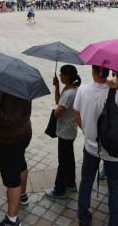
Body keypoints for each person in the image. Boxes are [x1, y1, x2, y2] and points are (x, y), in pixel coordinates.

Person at [74, 65, 118, 226]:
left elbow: (76, 116)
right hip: (113, 151)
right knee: (114, 188)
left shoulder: (82, 90)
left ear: (93, 71)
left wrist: (87, 132)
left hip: (90, 147)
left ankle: (84, 219)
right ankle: (114, 222)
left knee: (86, 182)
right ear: (107, 73)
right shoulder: (115, 93)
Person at [0, 82, 33, 226]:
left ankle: (12, 219)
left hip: (10, 140)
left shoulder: (13, 94)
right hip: (24, 133)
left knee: (12, 179)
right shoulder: (23, 87)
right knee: (20, 164)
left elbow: (10, 120)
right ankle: (23, 196)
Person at [45, 65, 81, 200]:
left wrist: (55, 111)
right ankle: (71, 183)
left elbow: (58, 113)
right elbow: (58, 101)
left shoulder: (70, 93)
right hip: (70, 130)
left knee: (63, 162)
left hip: (65, 131)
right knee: (69, 159)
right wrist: (57, 87)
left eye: (61, 74)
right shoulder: (71, 89)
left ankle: (59, 190)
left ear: (67, 76)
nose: (59, 76)